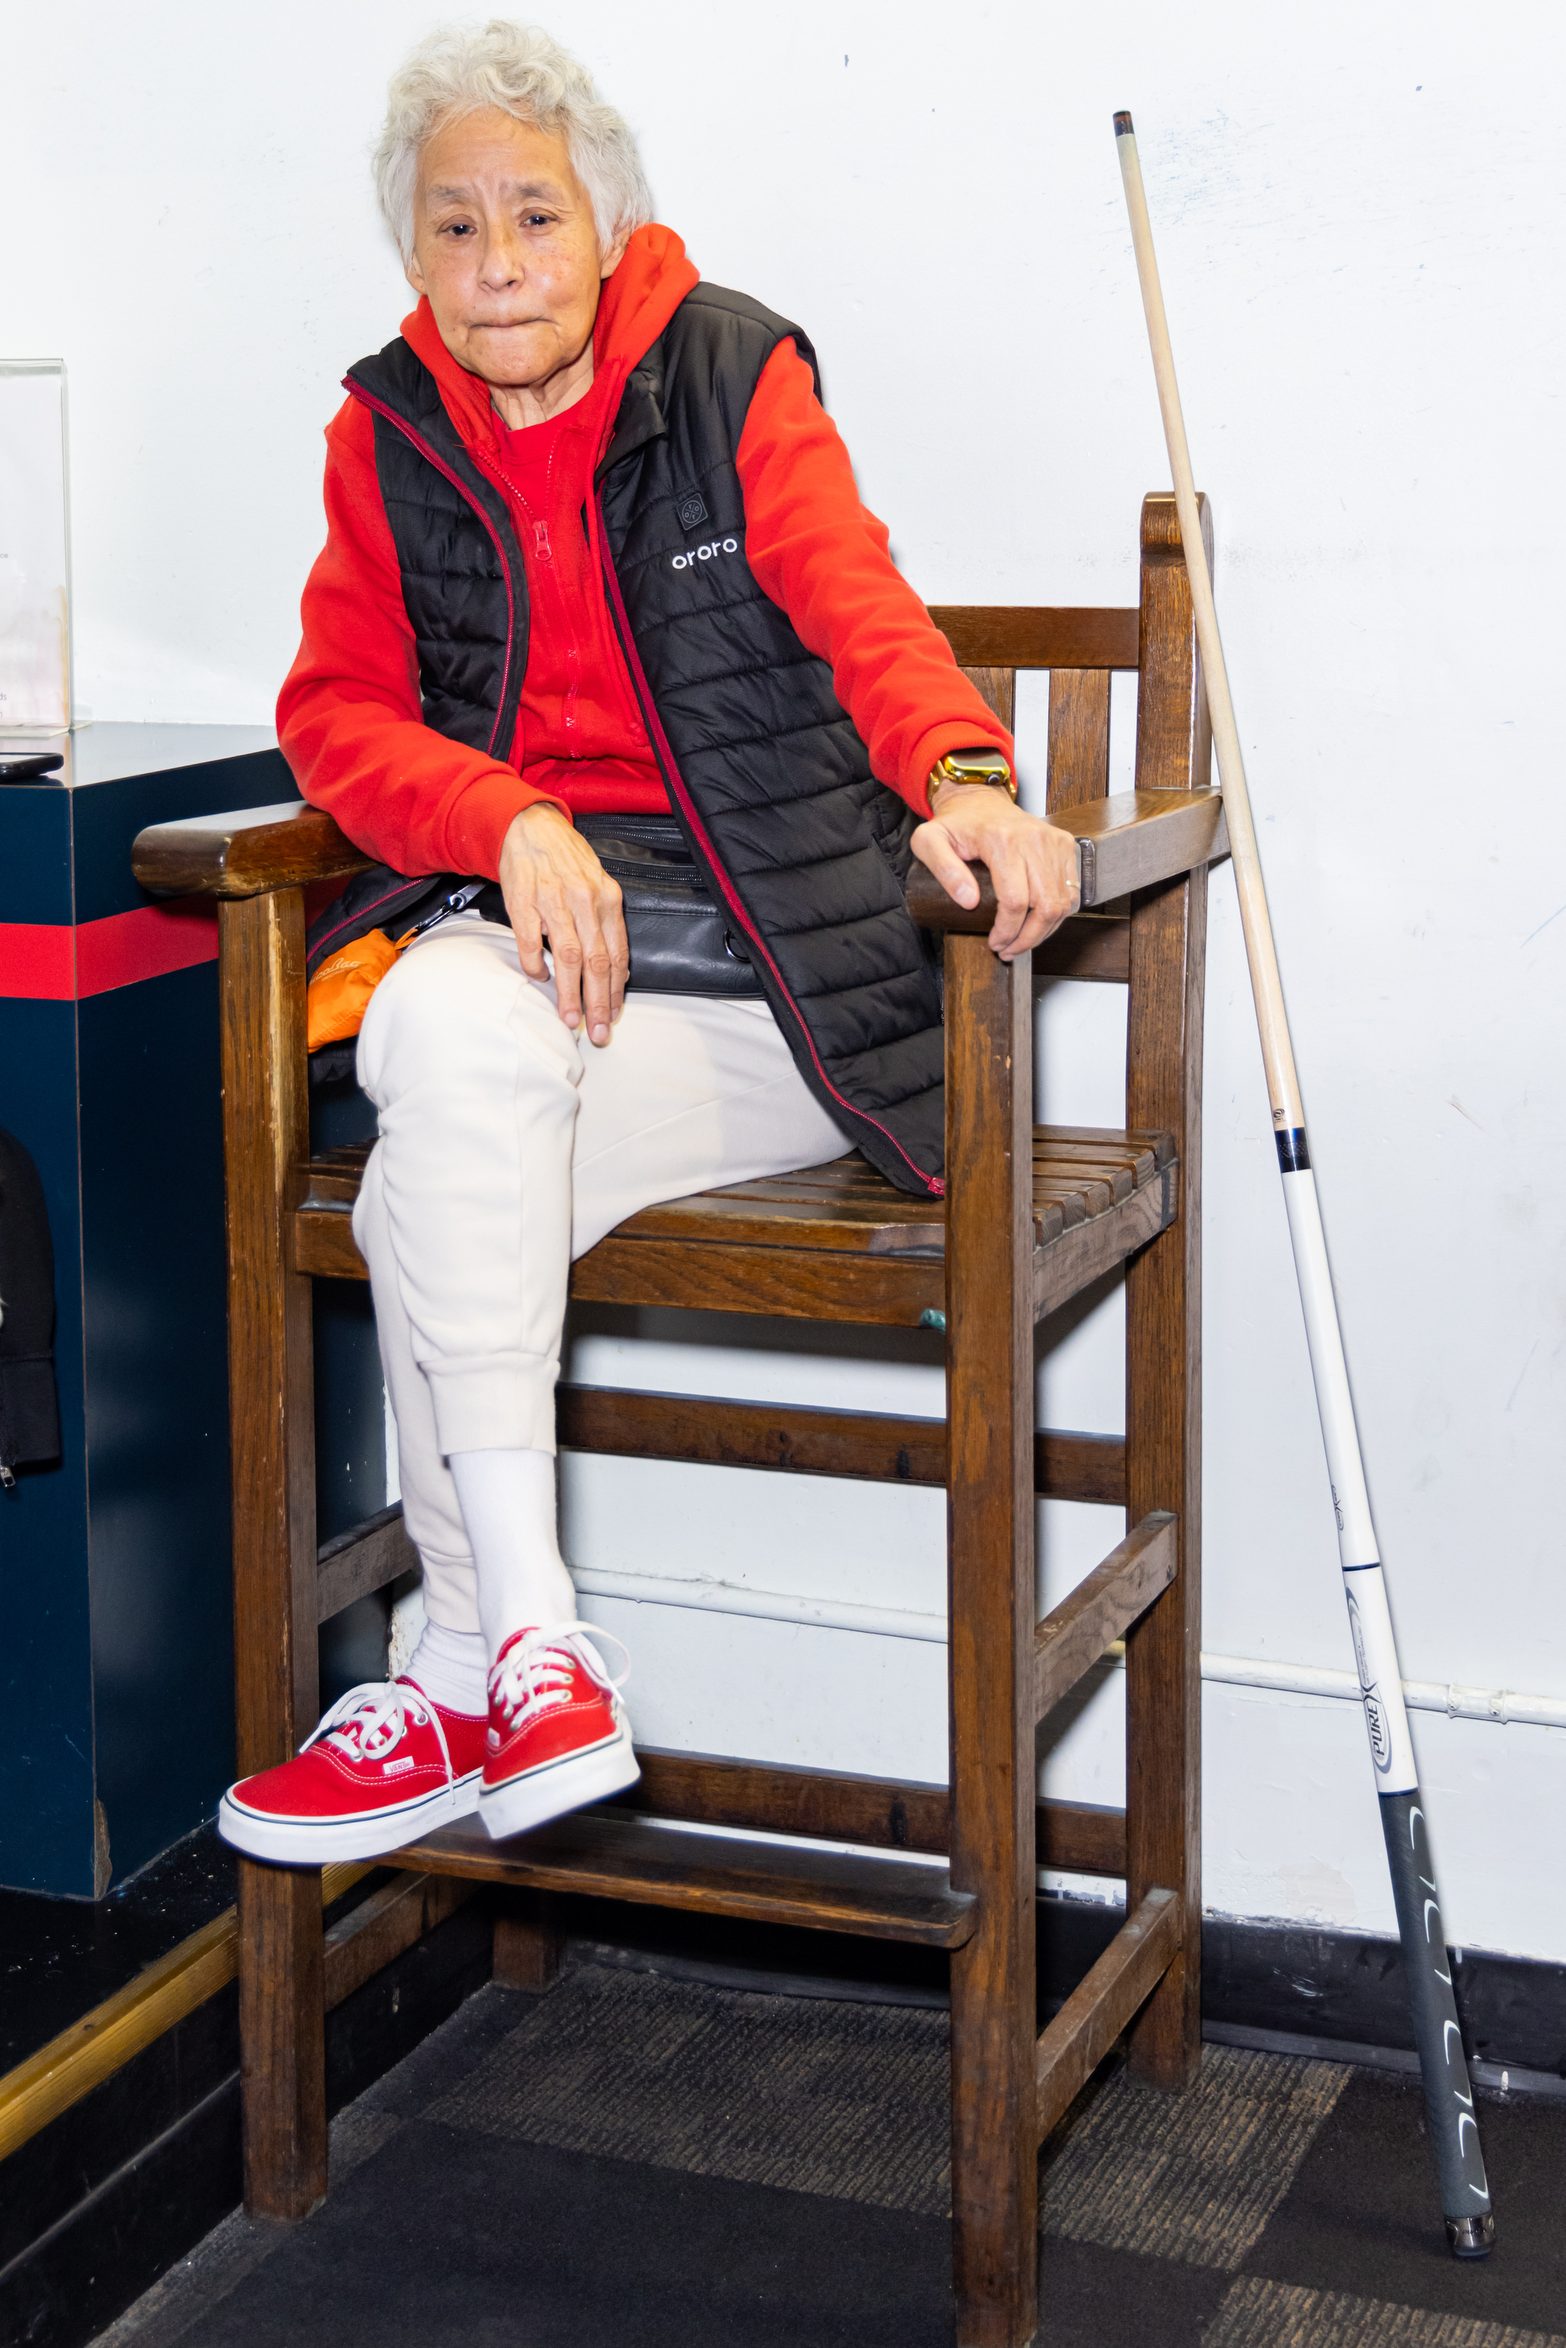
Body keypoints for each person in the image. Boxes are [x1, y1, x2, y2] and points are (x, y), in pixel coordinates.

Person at [217, 19, 1079, 1865]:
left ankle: (462, 1656)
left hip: (773, 984)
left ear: (607, 225)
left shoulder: (726, 375)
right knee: (441, 1043)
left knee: (408, 1198)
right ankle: (543, 1642)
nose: (498, 257)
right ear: (412, 257)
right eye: (454, 226)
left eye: (535, 212)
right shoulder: (383, 435)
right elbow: (336, 717)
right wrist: (507, 816)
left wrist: (963, 775)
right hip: (532, 965)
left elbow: (865, 612)